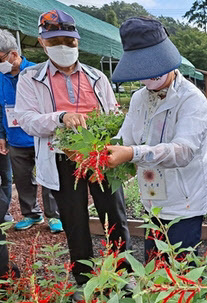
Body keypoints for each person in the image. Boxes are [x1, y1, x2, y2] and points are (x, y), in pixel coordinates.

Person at [15, 10, 132, 287]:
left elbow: (113, 113)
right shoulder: (30, 78)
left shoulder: (96, 77)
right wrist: (60, 118)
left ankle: (124, 273)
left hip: (102, 156)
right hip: (62, 159)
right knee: (74, 220)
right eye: (56, 41)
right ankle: (84, 280)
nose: (64, 47)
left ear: (78, 41)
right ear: (43, 42)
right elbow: (27, 120)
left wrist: (113, 130)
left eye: (70, 41)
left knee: (115, 214)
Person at [107, 17, 207, 263]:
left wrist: (132, 154)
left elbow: (183, 151)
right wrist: (102, 152)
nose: (148, 76)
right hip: (152, 197)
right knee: (154, 267)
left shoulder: (191, 99)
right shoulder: (139, 99)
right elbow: (126, 138)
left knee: (179, 273)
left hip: (184, 203)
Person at [0, 29, 63, 233]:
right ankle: (31, 214)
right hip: (15, 138)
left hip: (40, 136)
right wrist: (1, 135)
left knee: (48, 175)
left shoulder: (37, 73)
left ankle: (54, 216)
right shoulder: (0, 78)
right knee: (22, 179)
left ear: (13, 55)